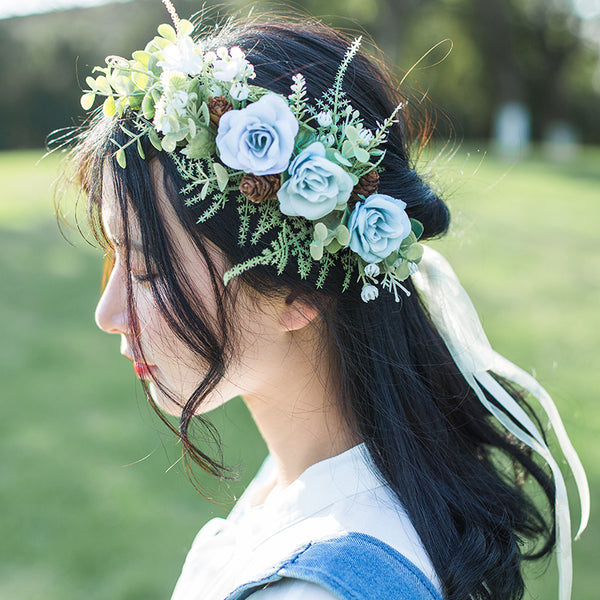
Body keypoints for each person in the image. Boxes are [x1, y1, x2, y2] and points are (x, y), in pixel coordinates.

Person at [61, 1, 588, 599]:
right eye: (114, 259)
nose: (108, 314)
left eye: (149, 268)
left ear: (295, 290)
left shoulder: (314, 587)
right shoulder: (318, 481)